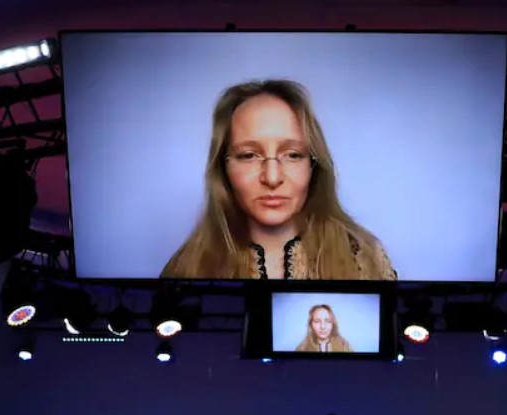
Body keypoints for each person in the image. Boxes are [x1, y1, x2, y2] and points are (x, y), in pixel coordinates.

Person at [160, 79, 396, 281]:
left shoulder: (365, 260)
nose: (272, 178)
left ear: (314, 165)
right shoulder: (186, 268)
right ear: (223, 168)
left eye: (293, 155)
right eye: (248, 155)